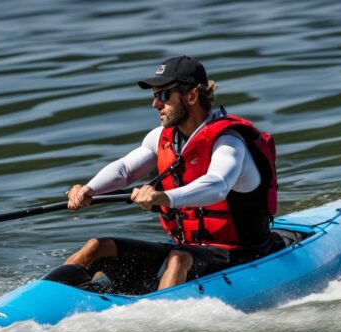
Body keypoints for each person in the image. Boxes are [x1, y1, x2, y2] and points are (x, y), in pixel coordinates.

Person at [46, 55, 282, 294]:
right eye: (154, 95)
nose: (155, 104)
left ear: (191, 96)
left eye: (164, 95)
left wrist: (164, 197)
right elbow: (125, 170)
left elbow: (218, 185)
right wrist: (88, 189)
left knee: (178, 259)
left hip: (241, 253)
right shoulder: (162, 137)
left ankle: (153, 315)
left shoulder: (229, 142)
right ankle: (48, 298)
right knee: (97, 247)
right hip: (189, 250)